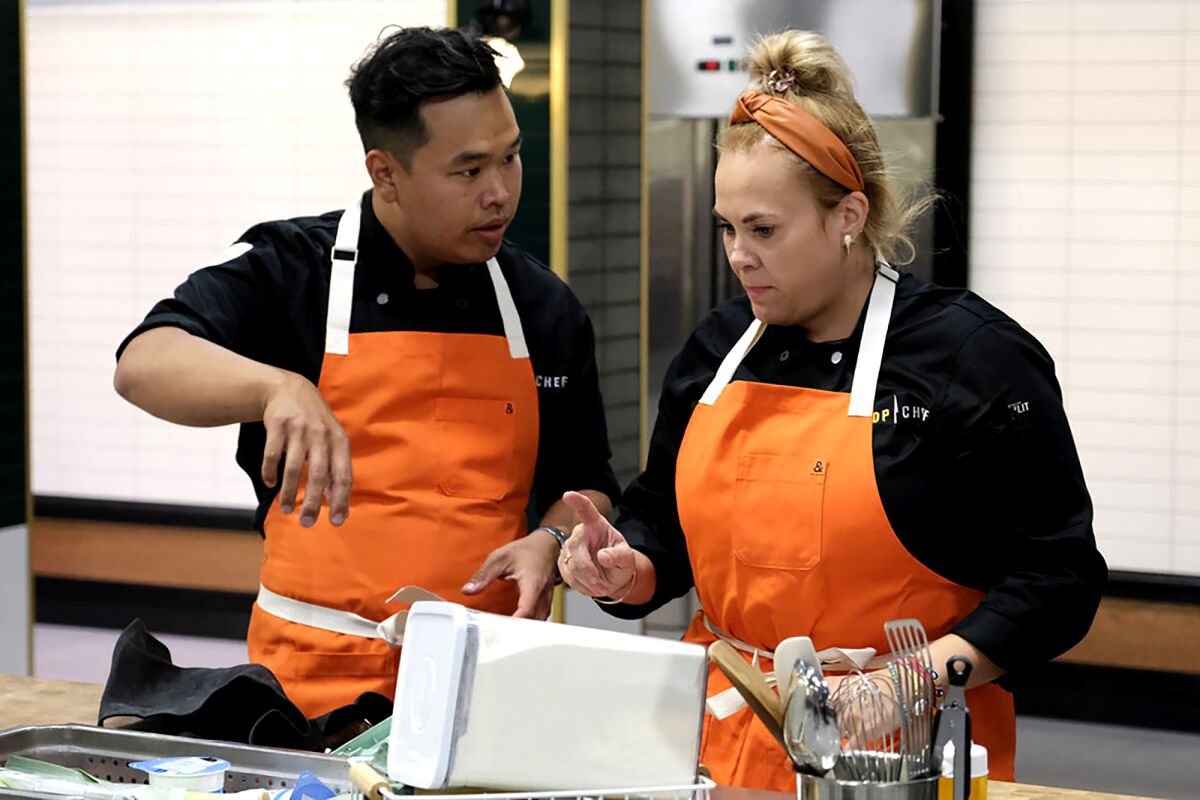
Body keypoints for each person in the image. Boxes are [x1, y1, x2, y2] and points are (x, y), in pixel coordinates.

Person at [557, 30, 1105, 790]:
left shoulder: (971, 358)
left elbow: (1059, 579)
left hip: (902, 750)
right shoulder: (720, 348)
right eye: (727, 227)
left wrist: (909, 682)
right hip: (718, 738)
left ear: (848, 215)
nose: (738, 255)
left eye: (764, 230)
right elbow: (663, 521)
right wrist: (628, 569)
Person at [114, 27, 619, 717]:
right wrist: (276, 387)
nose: (500, 192)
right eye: (469, 171)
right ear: (385, 173)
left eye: (512, 157)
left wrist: (551, 537)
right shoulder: (295, 270)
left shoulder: (542, 307)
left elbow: (585, 480)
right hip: (306, 689)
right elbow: (144, 362)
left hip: (487, 688)